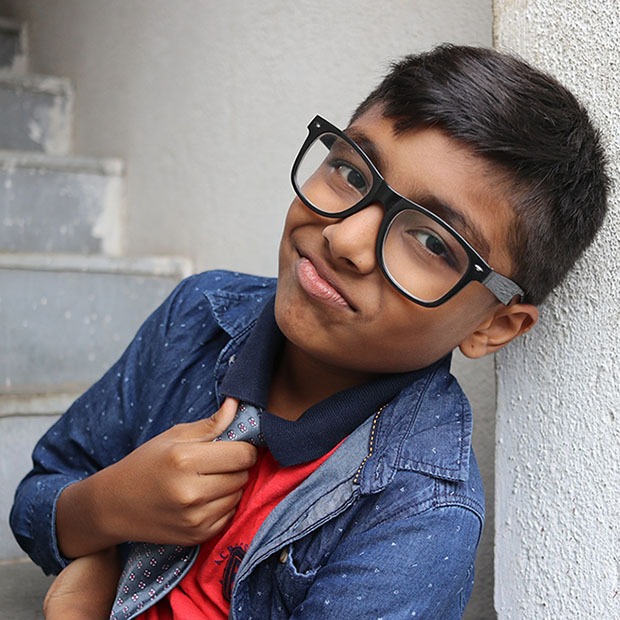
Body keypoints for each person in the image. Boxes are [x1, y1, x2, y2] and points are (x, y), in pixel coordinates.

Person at [10, 43, 608, 619]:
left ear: (495, 324)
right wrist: (103, 510)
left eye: (430, 242)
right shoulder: (200, 314)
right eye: (351, 172)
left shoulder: (420, 512)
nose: (343, 239)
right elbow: (42, 493)